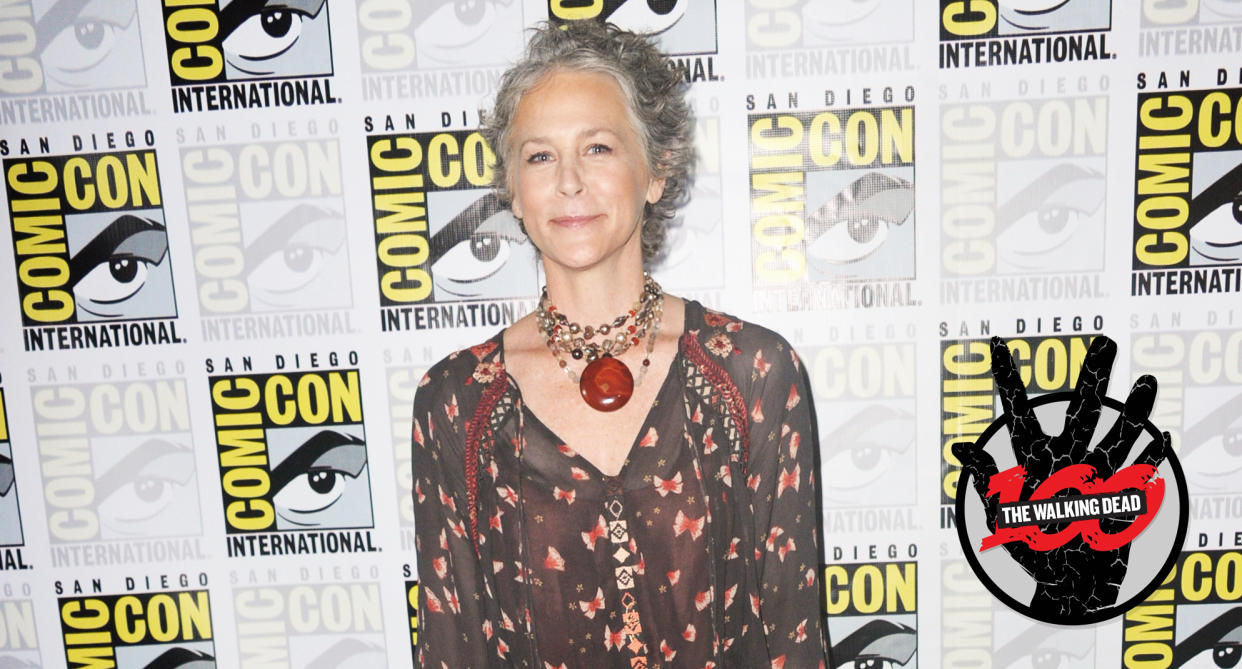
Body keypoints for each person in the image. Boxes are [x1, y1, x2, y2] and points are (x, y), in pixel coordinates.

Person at [412, 20, 830, 668]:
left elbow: (793, 637)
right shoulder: (458, 400)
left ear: (656, 170)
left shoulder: (750, 371)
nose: (569, 182)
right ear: (514, 193)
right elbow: (451, 646)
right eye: (540, 156)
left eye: (599, 148)